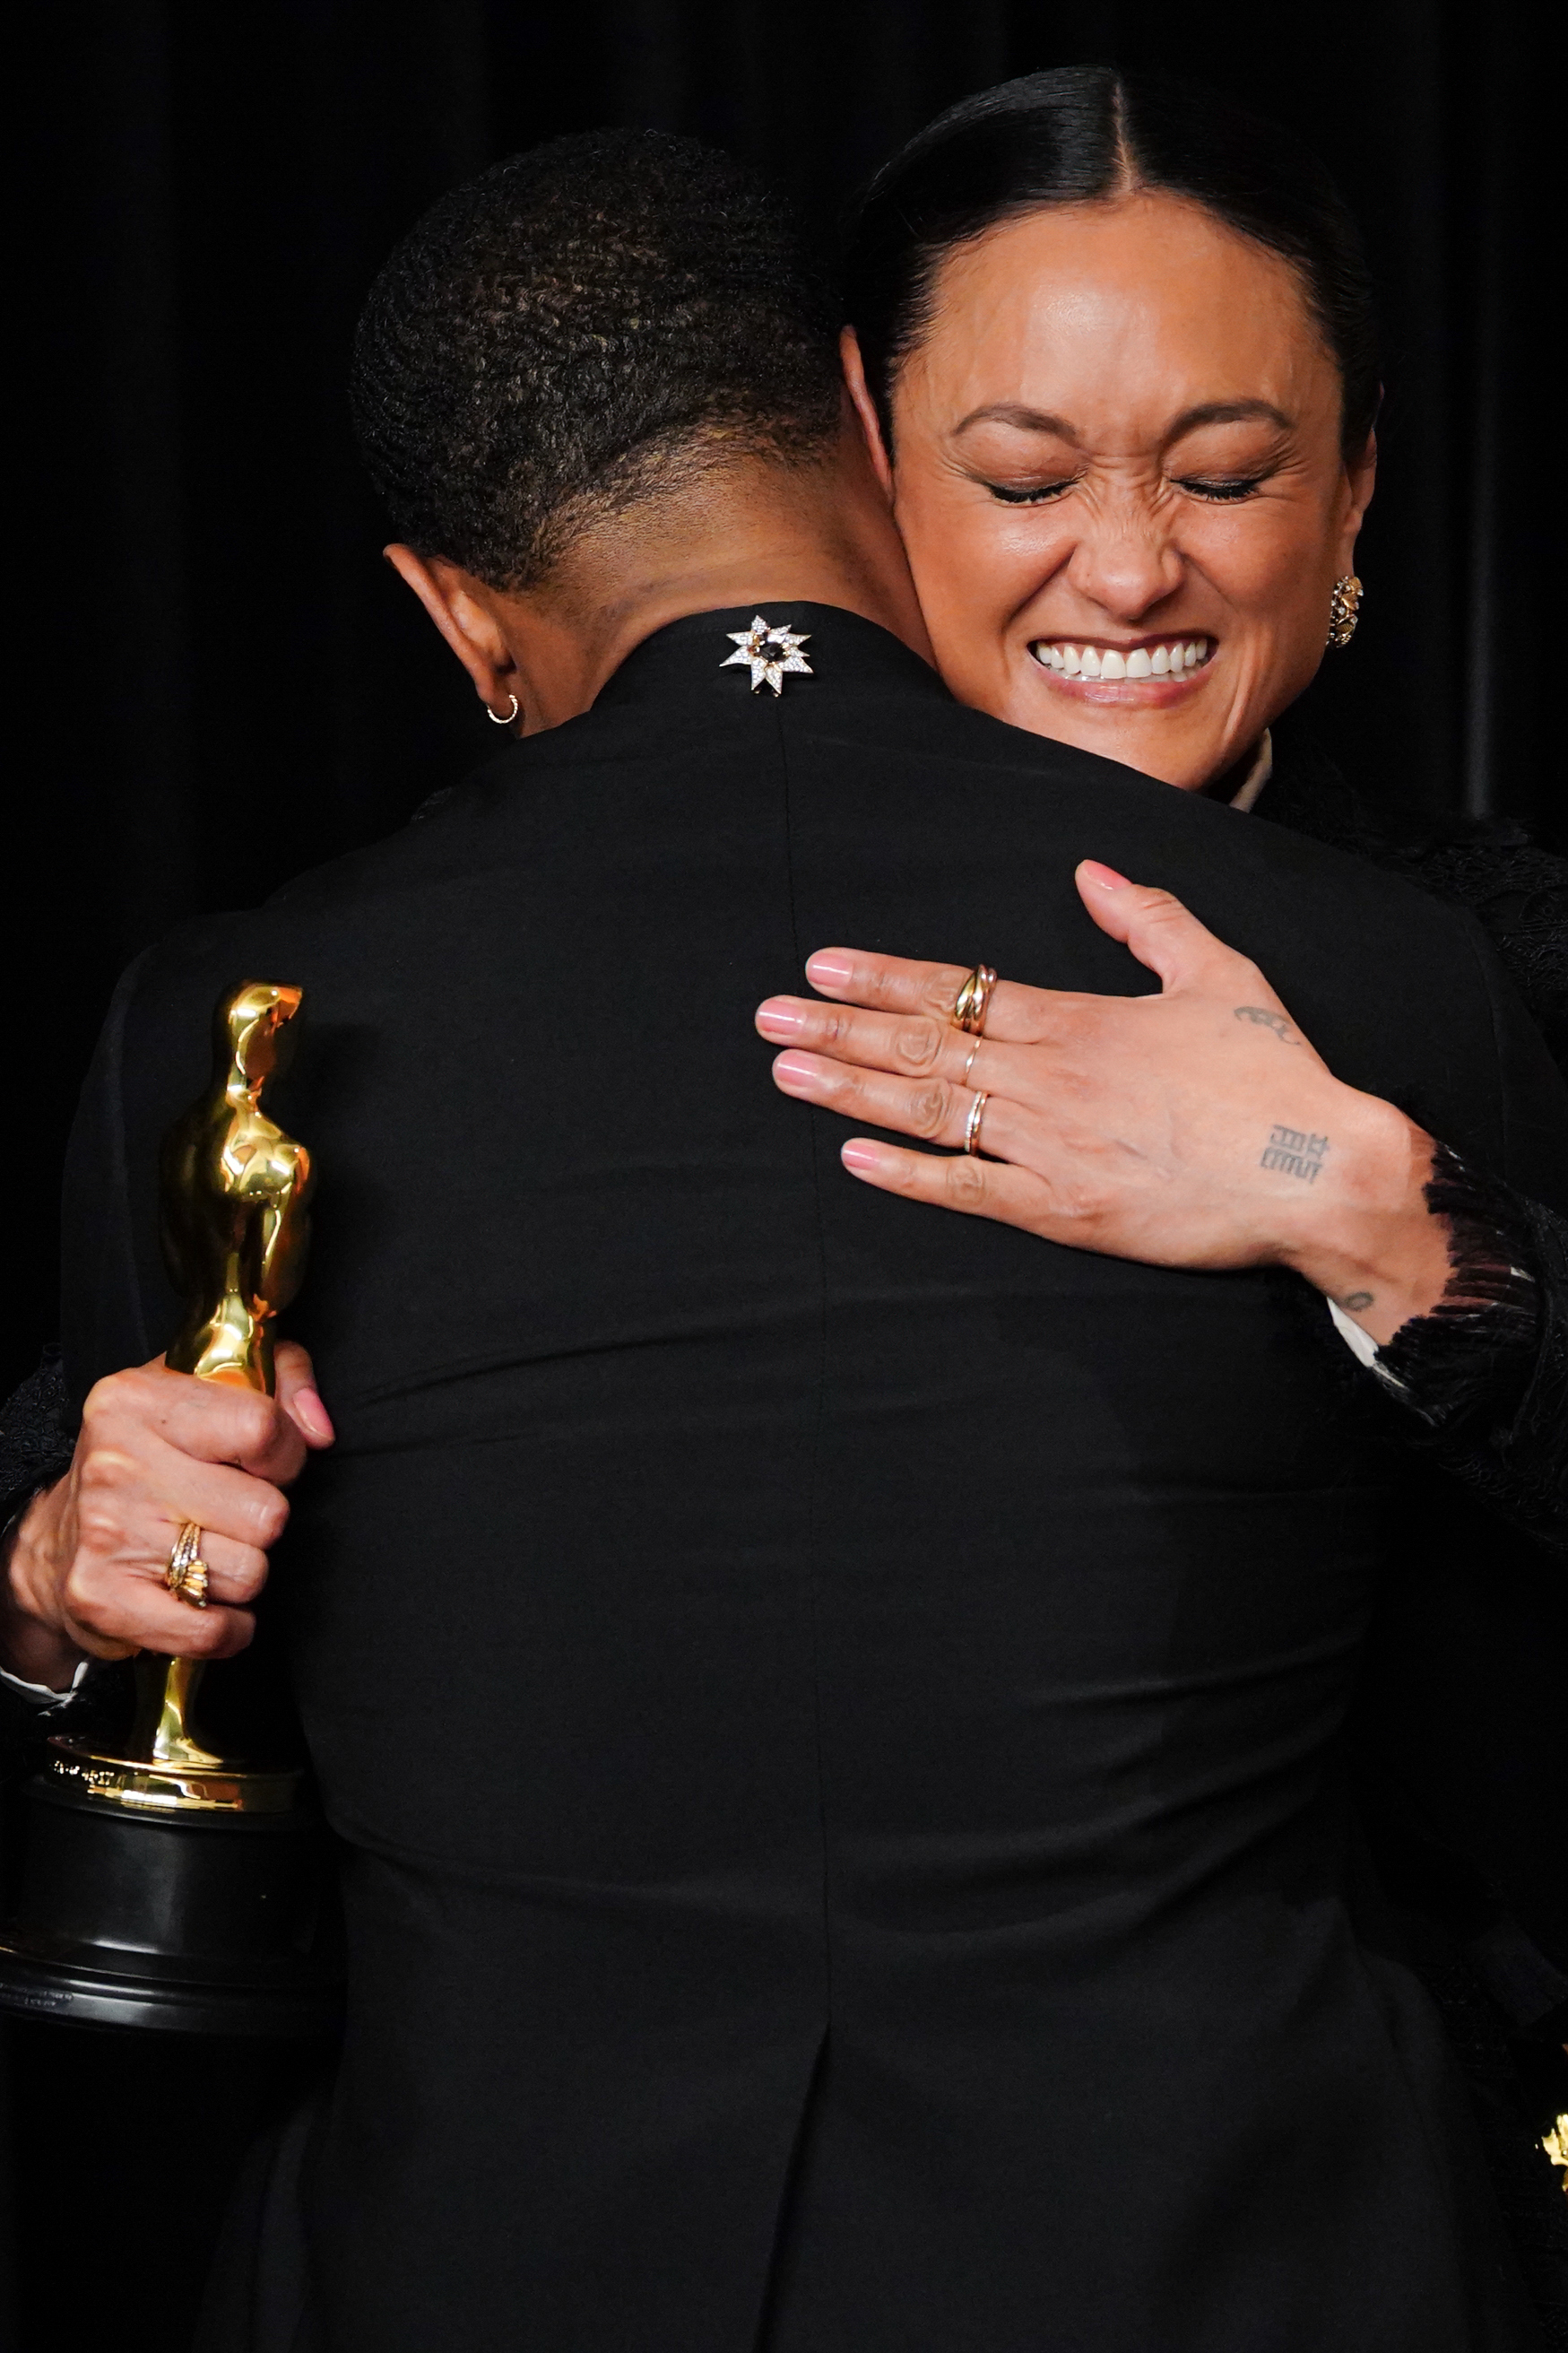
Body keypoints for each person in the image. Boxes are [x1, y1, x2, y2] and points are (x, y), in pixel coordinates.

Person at [0, 120, 1564, 2351]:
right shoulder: (1380, 977)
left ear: (453, 608)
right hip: (1241, 2250)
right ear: (866, 429)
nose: (1122, 571)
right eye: (1029, 476)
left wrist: (1389, 1229)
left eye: (1215, 471)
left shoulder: (246, 1024)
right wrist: (52, 1567)